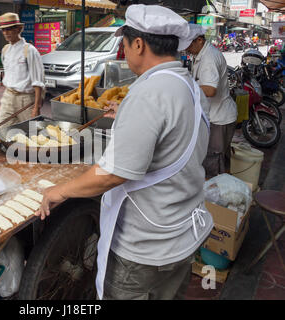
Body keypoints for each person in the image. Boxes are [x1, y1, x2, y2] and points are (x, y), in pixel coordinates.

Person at [36, 4, 213, 300]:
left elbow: (113, 173)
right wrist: (126, 112)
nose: (124, 50)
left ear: (139, 44)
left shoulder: (149, 94)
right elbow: (172, 132)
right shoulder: (188, 85)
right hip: (182, 235)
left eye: (125, 43)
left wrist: (61, 190)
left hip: (146, 247)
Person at [185, 24, 237, 178]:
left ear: (199, 40)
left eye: (188, 44)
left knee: (213, 162)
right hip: (218, 116)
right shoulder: (202, 53)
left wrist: (185, 89)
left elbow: (210, 89)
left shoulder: (208, 58)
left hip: (219, 118)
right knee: (220, 159)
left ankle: (215, 198)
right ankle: (223, 191)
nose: (186, 49)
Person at [0, 12, 44, 126]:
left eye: (9, 29)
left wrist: (36, 107)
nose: (6, 33)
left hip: (26, 99)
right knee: (2, 129)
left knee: (30, 133)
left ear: (18, 29)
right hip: (8, 96)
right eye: (3, 30)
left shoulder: (30, 50)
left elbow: (38, 82)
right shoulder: (5, 50)